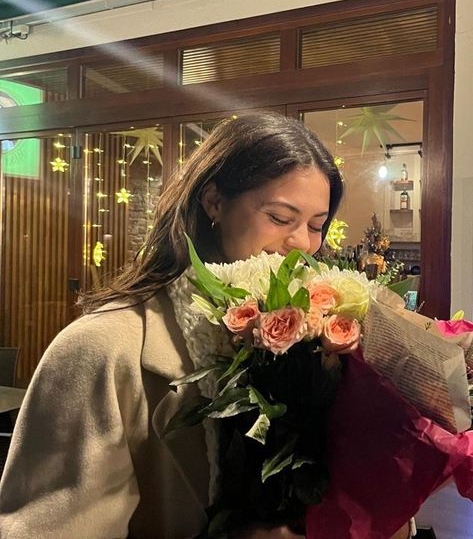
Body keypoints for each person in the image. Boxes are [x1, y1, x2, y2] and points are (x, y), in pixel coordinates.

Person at [0, 113, 411, 539]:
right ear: (214, 201)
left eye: (315, 226)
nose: (301, 245)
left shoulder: (317, 336)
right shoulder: (102, 347)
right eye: (279, 217)